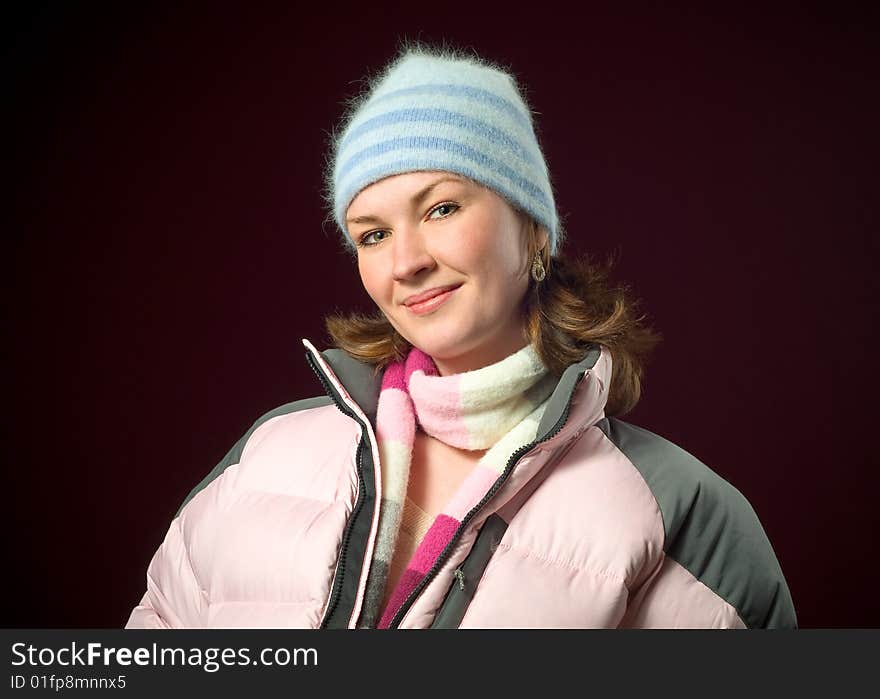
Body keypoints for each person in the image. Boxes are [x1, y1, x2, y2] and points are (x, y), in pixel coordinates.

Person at [125, 42, 796, 629]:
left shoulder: (678, 513)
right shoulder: (266, 456)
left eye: (442, 208)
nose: (405, 261)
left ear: (534, 229)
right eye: (373, 233)